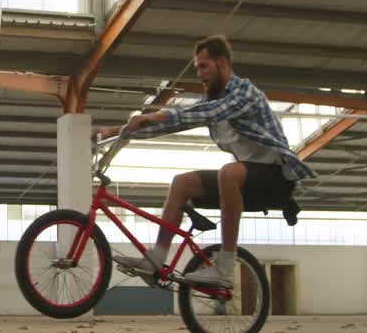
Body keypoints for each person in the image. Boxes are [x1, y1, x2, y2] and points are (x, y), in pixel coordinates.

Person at [94, 35, 316, 288]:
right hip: (248, 180)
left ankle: (225, 267)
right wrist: (119, 130)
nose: (199, 74)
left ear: (221, 63)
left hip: (277, 180)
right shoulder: (211, 100)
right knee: (182, 183)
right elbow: (179, 121)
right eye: (196, 68)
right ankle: (156, 259)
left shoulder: (244, 92)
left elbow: (208, 113)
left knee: (228, 172)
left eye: (203, 66)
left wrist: (154, 115)